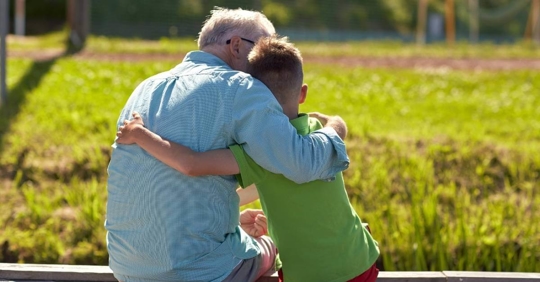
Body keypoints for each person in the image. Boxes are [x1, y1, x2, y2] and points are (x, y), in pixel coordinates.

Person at [105, 7, 350, 282]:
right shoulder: (242, 87)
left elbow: (171, 186)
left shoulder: (145, 88)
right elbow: (303, 162)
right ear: (236, 46)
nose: (264, 64)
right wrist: (336, 127)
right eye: (261, 50)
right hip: (199, 271)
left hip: (126, 267)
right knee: (272, 246)